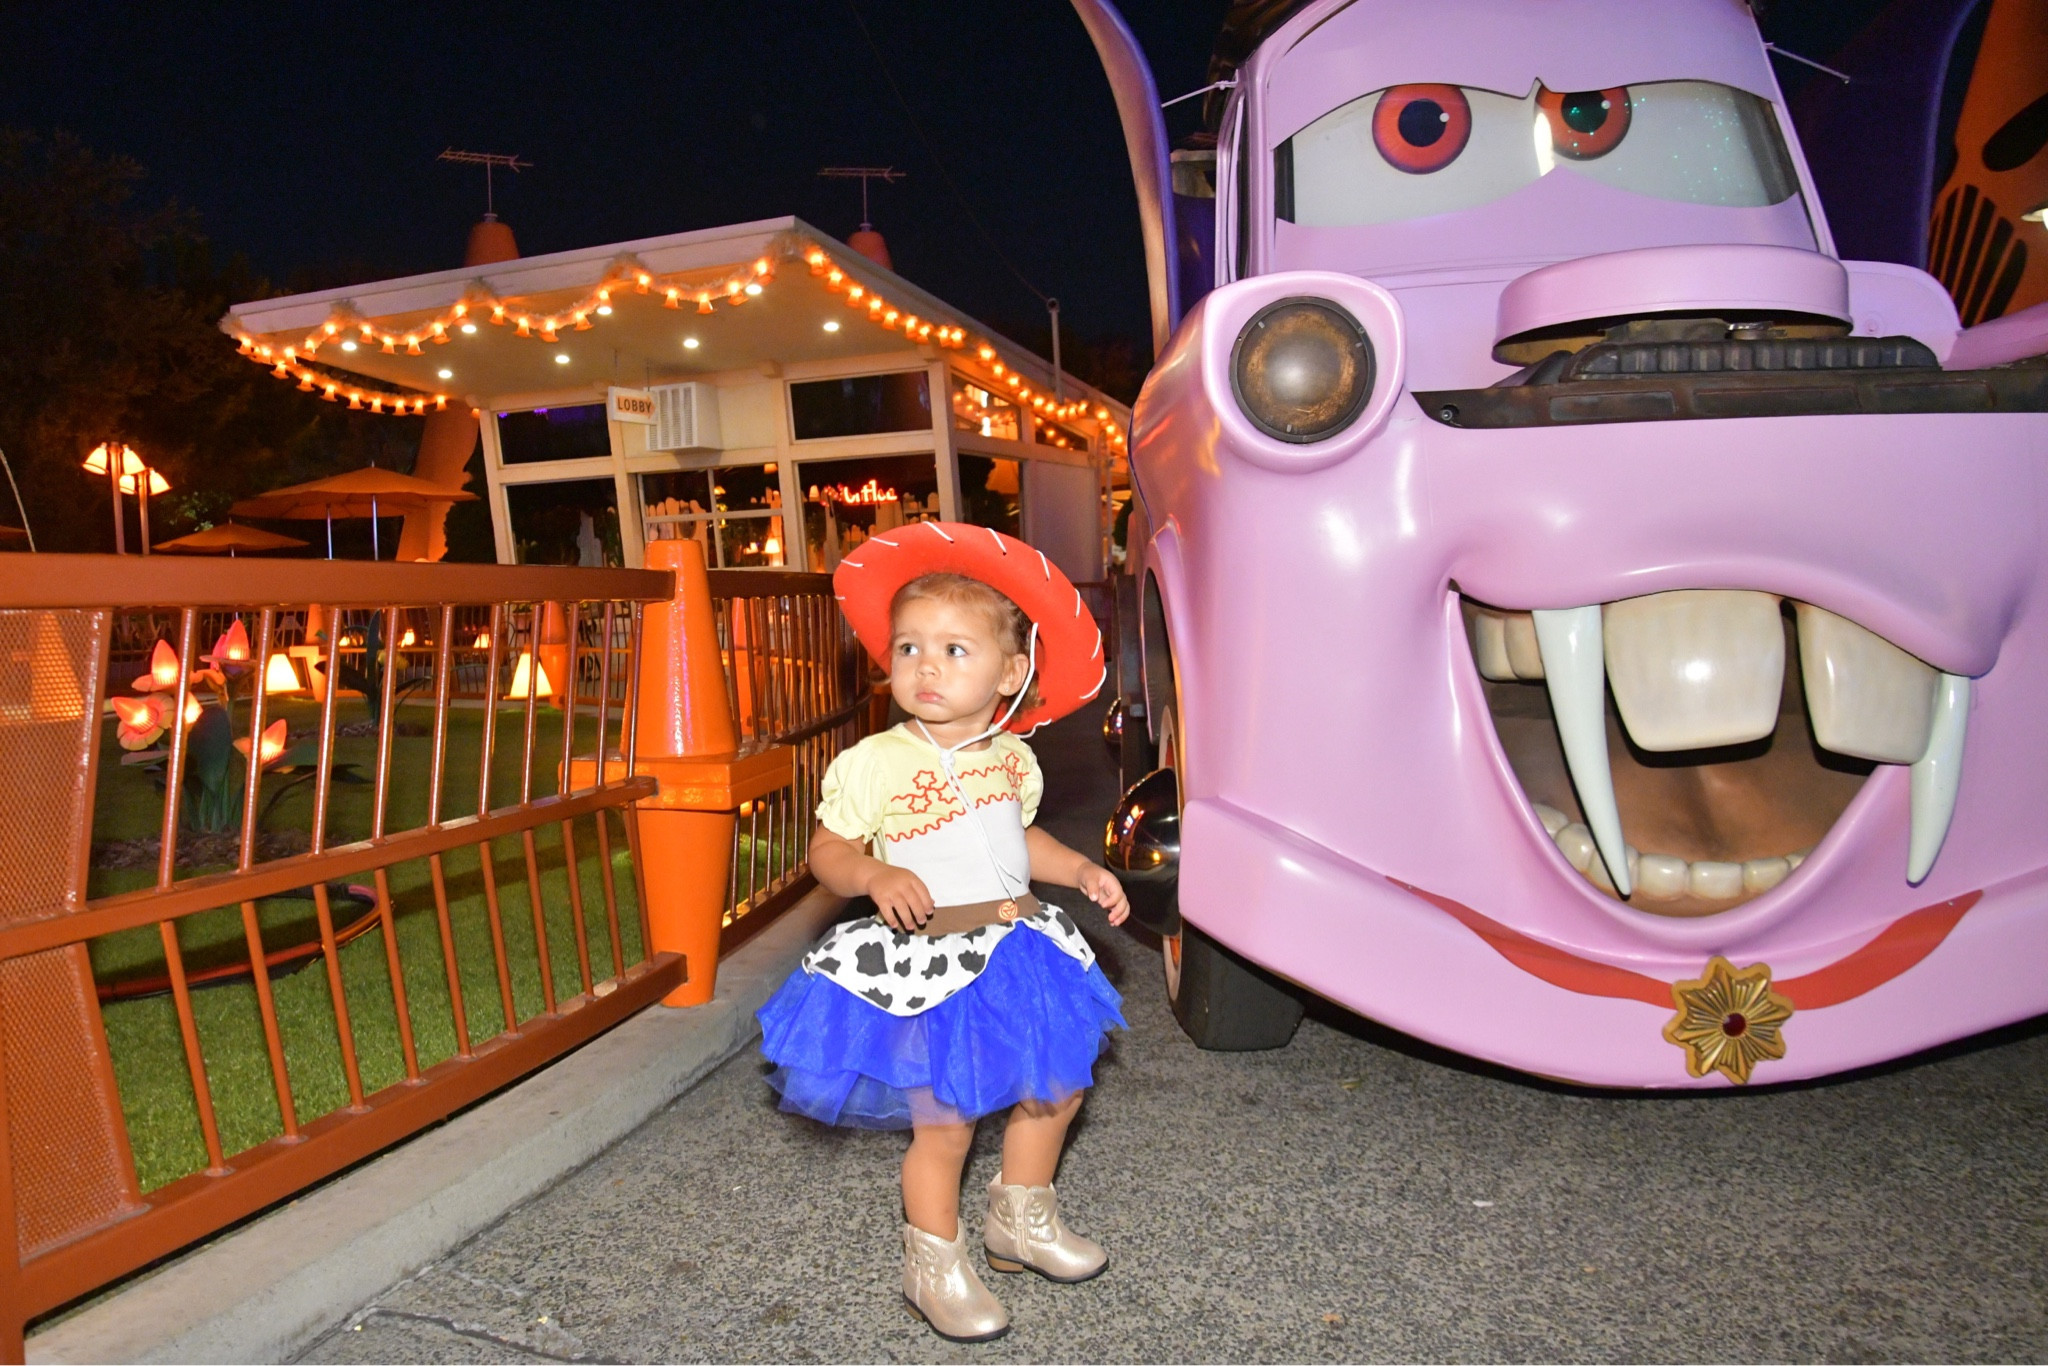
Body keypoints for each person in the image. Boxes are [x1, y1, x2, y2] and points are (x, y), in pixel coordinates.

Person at [757, 520, 1130, 1343]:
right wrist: (871, 875)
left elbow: (1019, 838)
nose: (927, 666)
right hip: (926, 962)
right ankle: (933, 1262)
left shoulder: (1012, 757)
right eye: (910, 648)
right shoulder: (876, 762)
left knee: (1057, 1085)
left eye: (956, 650)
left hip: (1016, 949)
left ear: (1012, 672)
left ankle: (1020, 1222)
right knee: (946, 1119)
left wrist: (1081, 871)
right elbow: (828, 849)